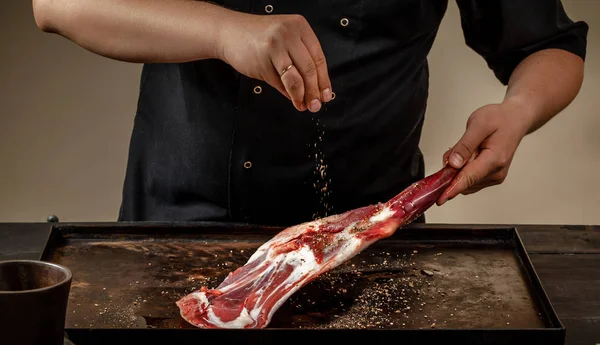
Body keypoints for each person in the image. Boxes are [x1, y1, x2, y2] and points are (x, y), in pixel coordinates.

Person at [32, 0, 588, 226]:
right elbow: (57, 4)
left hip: (370, 233)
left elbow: (549, 45)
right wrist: (222, 29)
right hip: (178, 222)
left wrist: (518, 111)